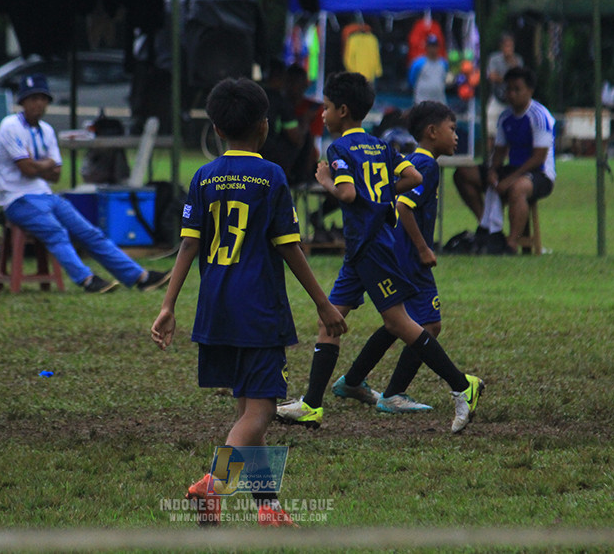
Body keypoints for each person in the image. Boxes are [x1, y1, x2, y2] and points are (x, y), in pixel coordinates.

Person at [151, 77, 347, 527]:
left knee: (246, 411)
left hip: (215, 309)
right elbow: (289, 247)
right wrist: (322, 303)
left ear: (216, 129)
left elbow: (187, 246)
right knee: (259, 414)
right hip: (258, 311)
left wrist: (168, 305)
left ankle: (269, 508)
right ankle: (211, 486)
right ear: (264, 126)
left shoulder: (203, 177)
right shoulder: (272, 177)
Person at [275, 72, 483, 434]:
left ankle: (463, 386)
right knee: (329, 321)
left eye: (325, 108)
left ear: (342, 110)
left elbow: (347, 194)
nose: (322, 115)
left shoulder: (338, 149)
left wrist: (325, 179)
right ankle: (311, 405)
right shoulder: (381, 146)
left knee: (398, 323)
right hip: (361, 251)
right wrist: (382, 193)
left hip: (372, 248)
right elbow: (412, 180)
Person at [334, 101, 461, 414]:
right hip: (407, 256)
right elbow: (403, 206)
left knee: (398, 323)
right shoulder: (425, 165)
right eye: (452, 129)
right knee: (427, 325)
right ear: (432, 132)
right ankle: (394, 393)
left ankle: (353, 380)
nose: (456, 136)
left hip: (392, 252)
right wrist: (421, 248)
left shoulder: (418, 160)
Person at [0, 73, 171, 294]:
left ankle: (140, 276)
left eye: (42, 98)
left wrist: (36, 164)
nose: (38, 104)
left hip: (45, 195)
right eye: (32, 98)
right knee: (56, 232)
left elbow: (56, 174)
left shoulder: (47, 130)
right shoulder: (10, 126)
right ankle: (86, 279)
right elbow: (27, 169)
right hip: (17, 199)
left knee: (90, 232)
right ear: (22, 101)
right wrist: (43, 165)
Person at [453, 66, 555, 254]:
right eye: (508, 89)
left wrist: (509, 179)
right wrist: (492, 170)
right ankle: (488, 227)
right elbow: (499, 151)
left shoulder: (540, 117)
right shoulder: (505, 117)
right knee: (462, 173)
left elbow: (538, 158)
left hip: (539, 174)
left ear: (530, 91)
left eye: (517, 89)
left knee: (518, 188)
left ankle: (511, 244)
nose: (511, 94)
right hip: (513, 169)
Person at [260, 62, 313, 186]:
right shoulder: (282, 102)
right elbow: (296, 139)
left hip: (251, 151)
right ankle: (297, 176)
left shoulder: (255, 96)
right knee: (305, 136)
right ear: (282, 78)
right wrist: (305, 121)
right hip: (272, 158)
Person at [483, 32, 523, 148]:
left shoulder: (517, 60)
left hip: (511, 100)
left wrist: (511, 63)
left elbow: (519, 78)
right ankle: (489, 156)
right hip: (497, 98)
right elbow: (492, 76)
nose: (509, 49)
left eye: (511, 46)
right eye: (506, 46)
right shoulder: (494, 59)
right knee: (490, 129)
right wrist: (507, 79)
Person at [407, 34, 448, 105]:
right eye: (430, 46)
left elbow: (445, 78)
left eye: (435, 46)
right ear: (426, 47)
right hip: (421, 99)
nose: (433, 49)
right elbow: (411, 79)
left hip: (438, 100)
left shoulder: (443, 63)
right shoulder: (418, 63)